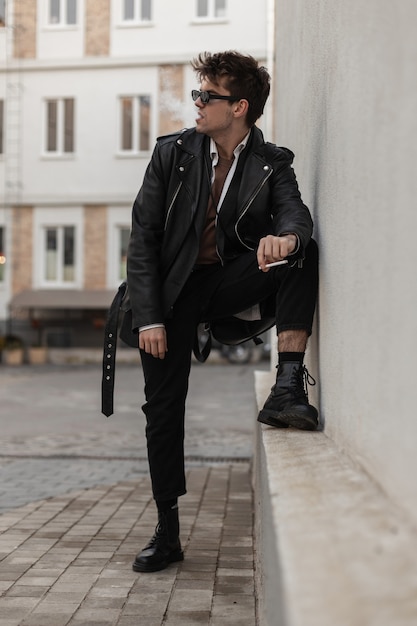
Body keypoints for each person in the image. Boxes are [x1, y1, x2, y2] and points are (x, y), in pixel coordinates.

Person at [126, 50, 319, 573]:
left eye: (205, 95)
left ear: (239, 107)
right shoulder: (173, 153)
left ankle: (289, 385)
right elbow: (143, 237)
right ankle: (167, 531)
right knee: (163, 411)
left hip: (224, 284)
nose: (196, 103)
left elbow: (294, 211)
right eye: (197, 93)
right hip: (169, 295)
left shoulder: (271, 160)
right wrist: (149, 317)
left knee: (303, 251)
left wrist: (286, 236)